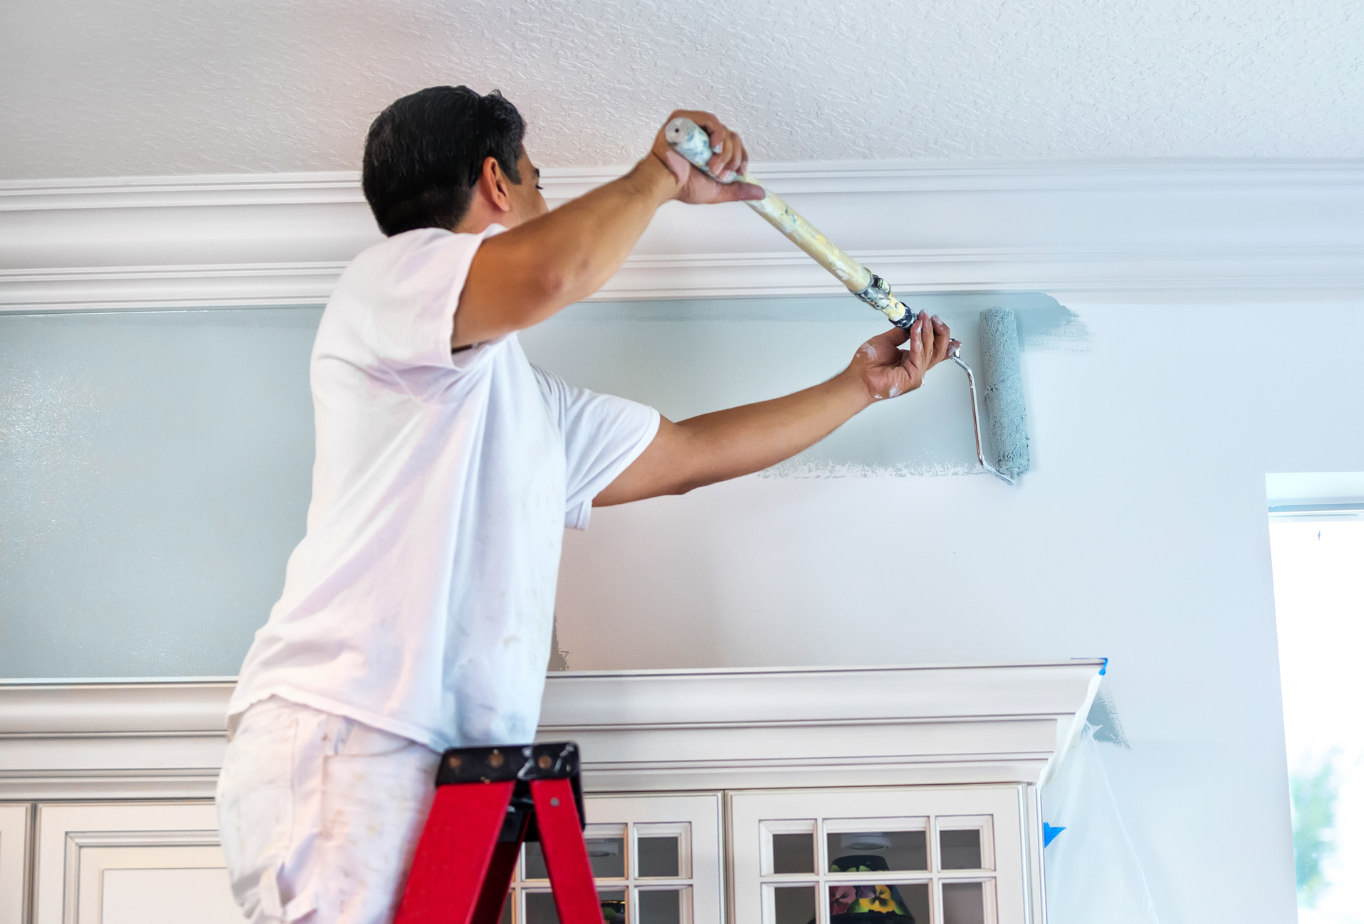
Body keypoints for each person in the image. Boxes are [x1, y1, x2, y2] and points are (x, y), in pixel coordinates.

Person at [214, 86, 955, 924]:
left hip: (450, 765)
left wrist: (858, 387)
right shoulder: (387, 282)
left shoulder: (527, 407)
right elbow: (551, 270)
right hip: (349, 730)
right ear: (497, 184)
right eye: (537, 182)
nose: (543, 203)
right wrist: (661, 174)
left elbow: (688, 456)